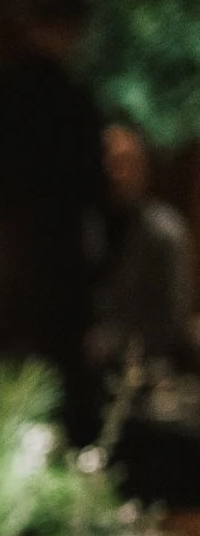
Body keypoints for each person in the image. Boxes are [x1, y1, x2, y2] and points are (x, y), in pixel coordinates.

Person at [0, 0, 110, 432]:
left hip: (0, 263)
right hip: (54, 268)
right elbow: (95, 197)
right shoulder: (74, 104)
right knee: (67, 392)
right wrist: (98, 272)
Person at [92, 122, 197, 373]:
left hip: (150, 372)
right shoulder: (87, 227)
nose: (115, 171)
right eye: (108, 161)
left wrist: (115, 341)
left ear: (143, 168)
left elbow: (175, 320)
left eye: (125, 161)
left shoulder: (167, 232)